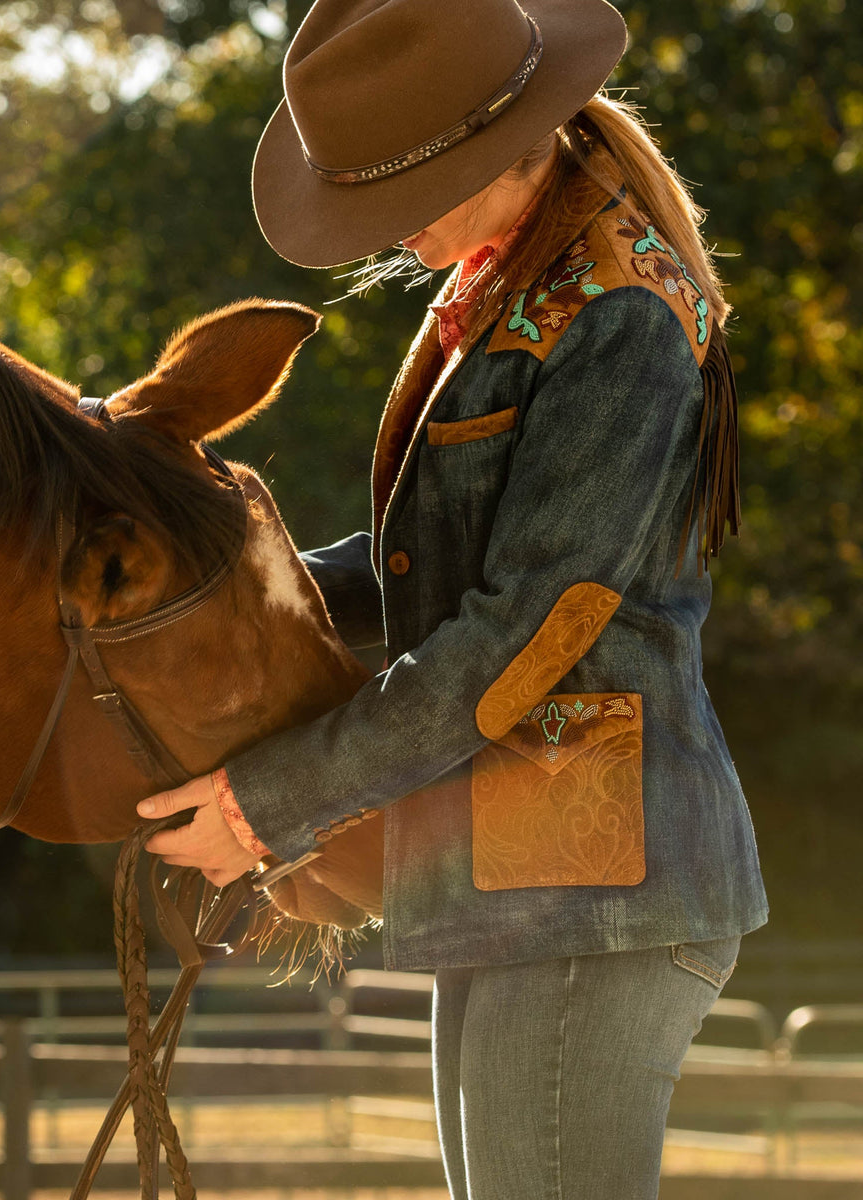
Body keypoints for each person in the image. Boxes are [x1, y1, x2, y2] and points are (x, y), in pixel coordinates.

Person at [137, 0, 768, 1194]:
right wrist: (216, 599)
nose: (386, 239)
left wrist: (270, 801)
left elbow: (522, 632)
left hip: (604, 896)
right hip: (517, 874)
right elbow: (422, 562)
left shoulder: (618, 313)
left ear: (489, 151)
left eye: (391, 203)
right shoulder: (502, 286)